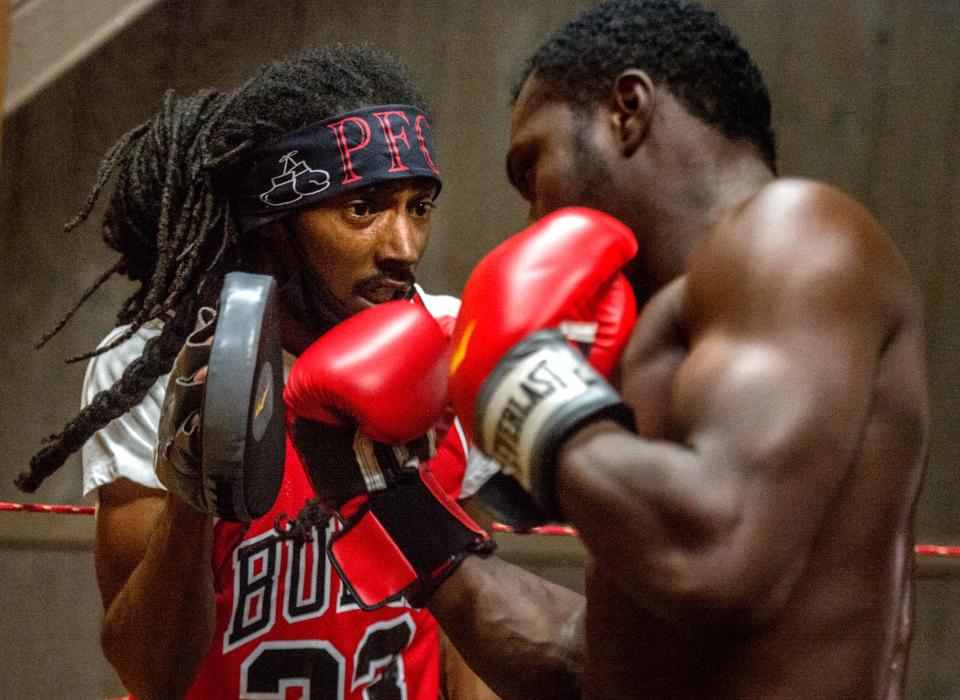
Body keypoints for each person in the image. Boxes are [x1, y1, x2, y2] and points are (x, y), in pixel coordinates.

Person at [301, 2, 929, 698]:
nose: (534, 218)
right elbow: (592, 667)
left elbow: (714, 556)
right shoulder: (666, 340)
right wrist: (397, 503)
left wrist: (518, 382)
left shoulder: (794, 234)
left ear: (626, 110)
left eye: (531, 166)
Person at [19, 45, 498, 699]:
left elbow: (465, 632)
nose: (403, 247)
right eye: (362, 210)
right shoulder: (156, 363)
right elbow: (147, 672)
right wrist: (194, 497)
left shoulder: (451, 338)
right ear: (275, 229)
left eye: (419, 206)